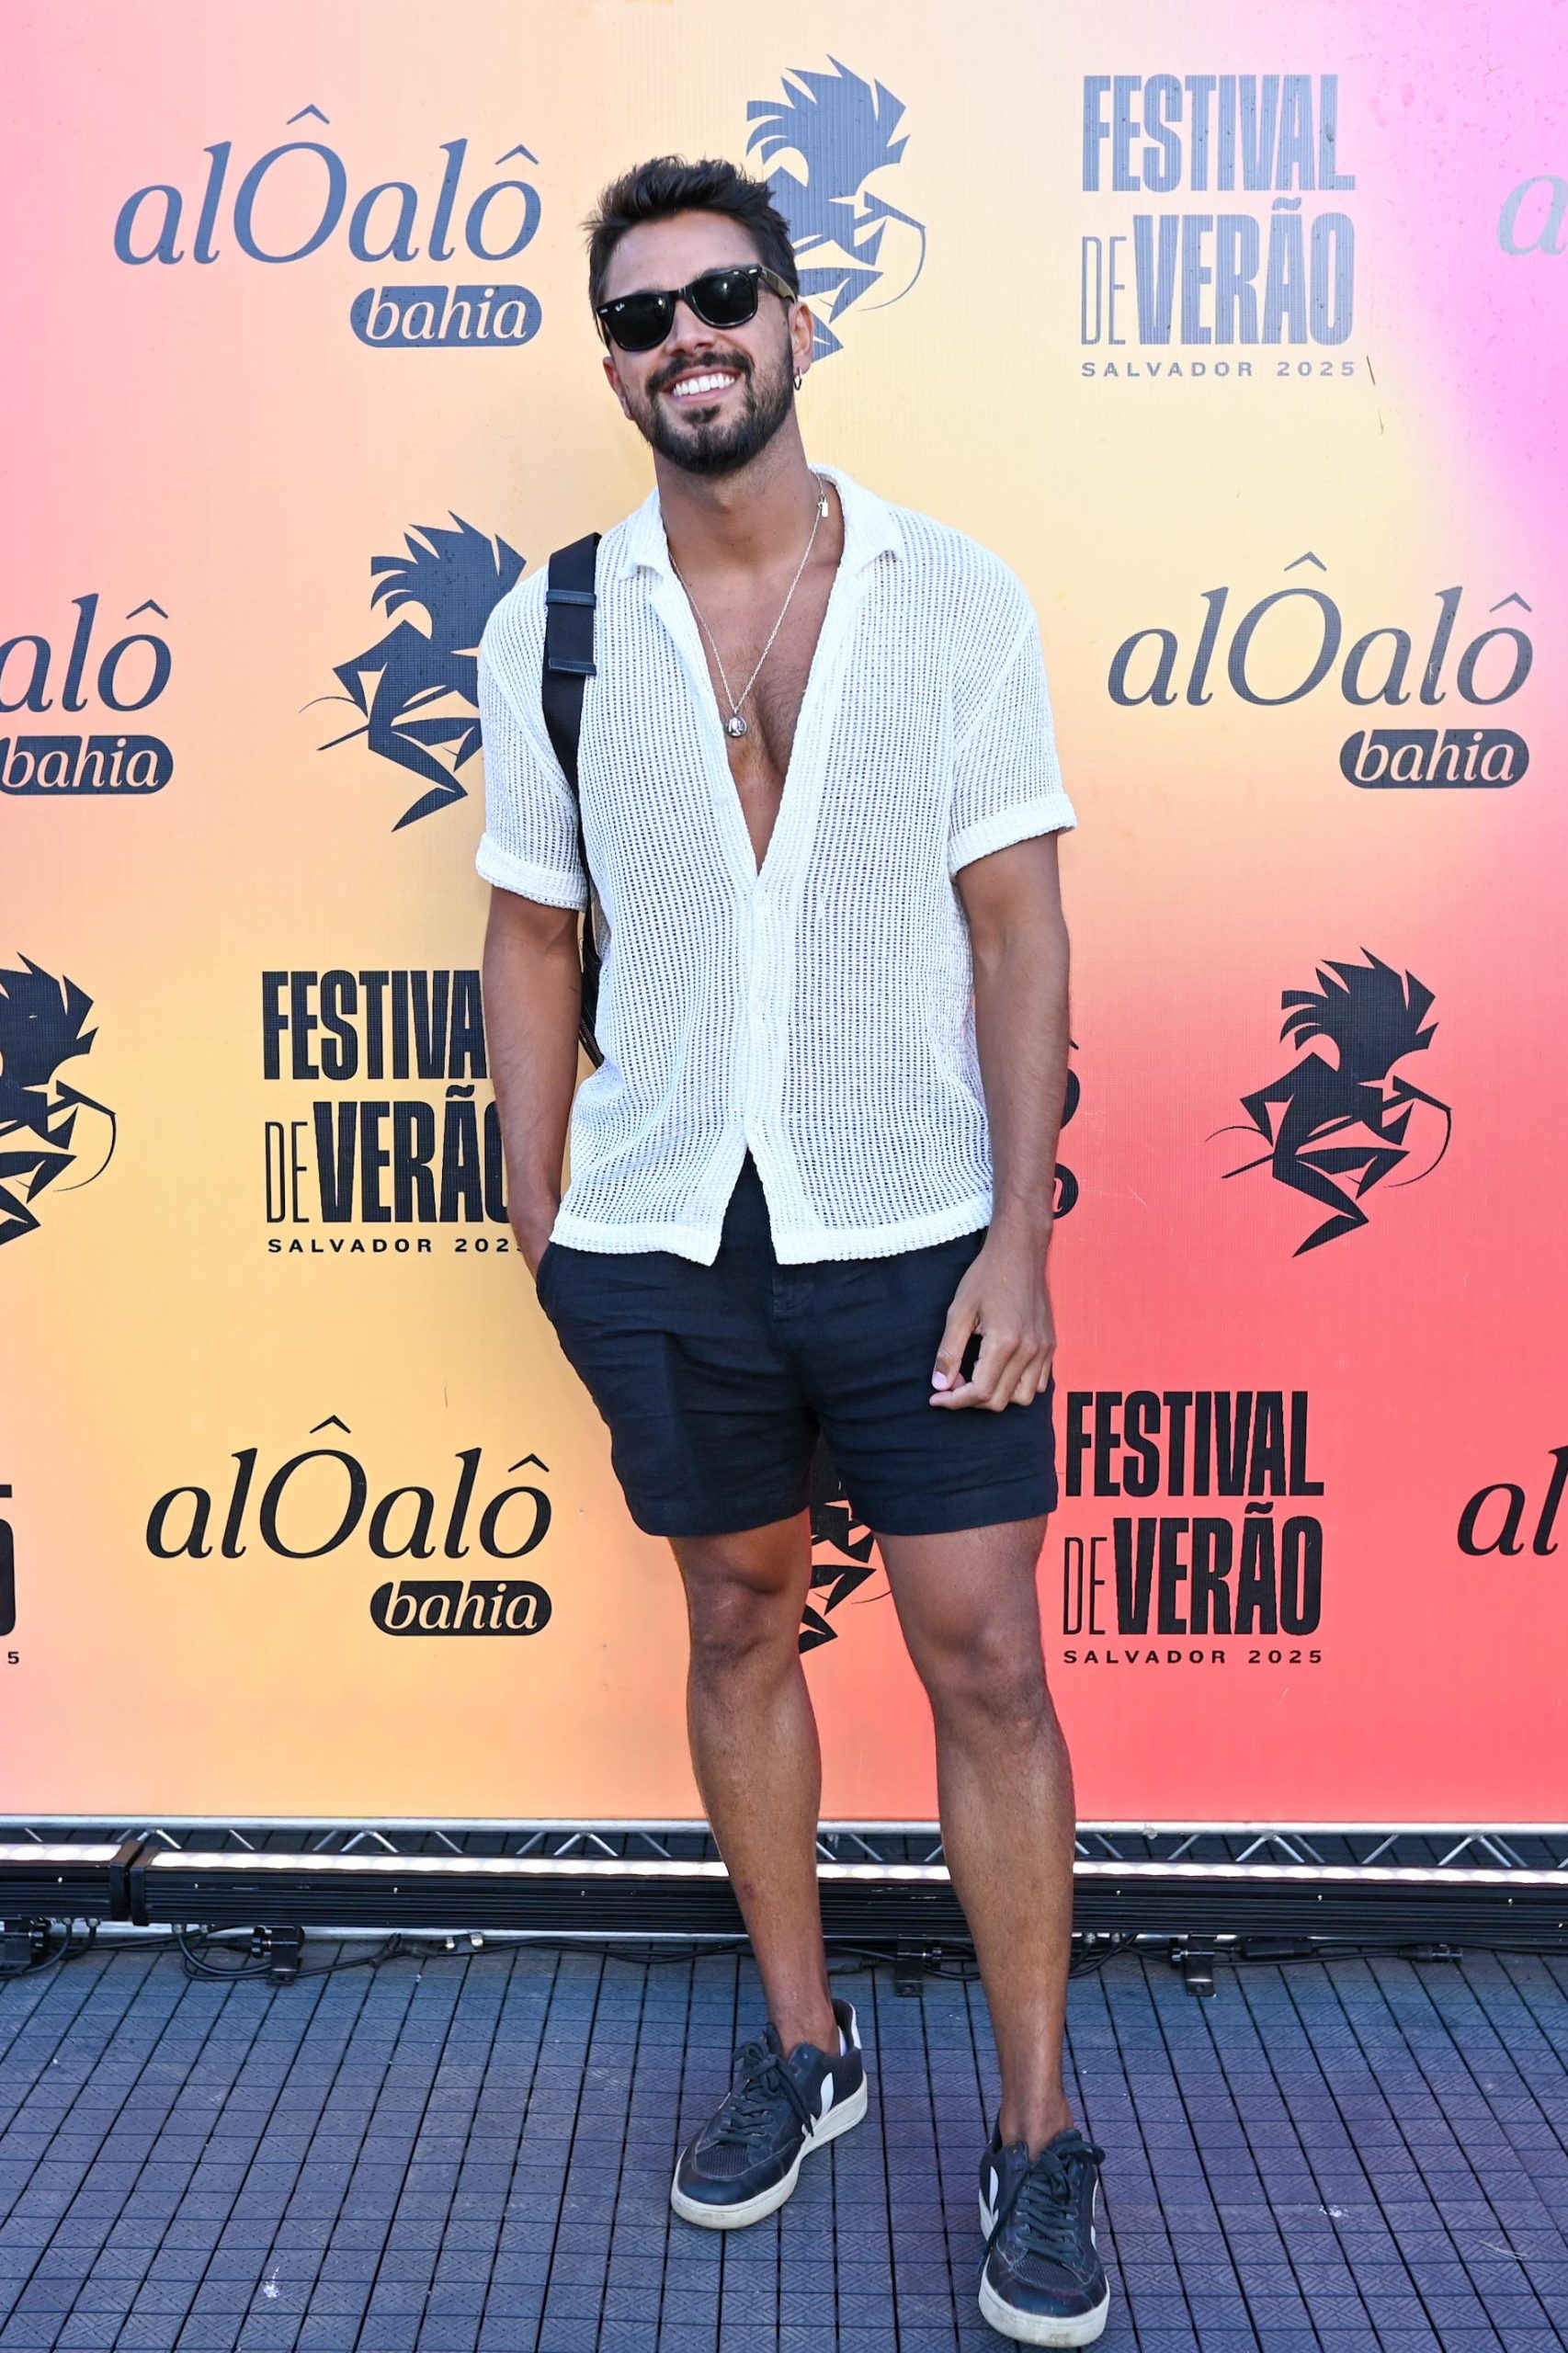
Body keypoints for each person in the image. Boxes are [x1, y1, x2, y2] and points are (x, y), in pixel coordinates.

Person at [476, 153, 1108, 2347]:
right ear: (615, 365)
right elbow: (528, 930)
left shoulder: (953, 596)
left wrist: (1017, 1240)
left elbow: (1017, 930)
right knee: (740, 1622)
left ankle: (1037, 2134)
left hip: (911, 1222)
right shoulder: (552, 622)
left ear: (798, 319)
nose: (689, 339)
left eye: (724, 296)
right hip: (667, 1232)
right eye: (642, 316)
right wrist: (544, 1207)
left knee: (985, 1662)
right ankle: (804, 2041)